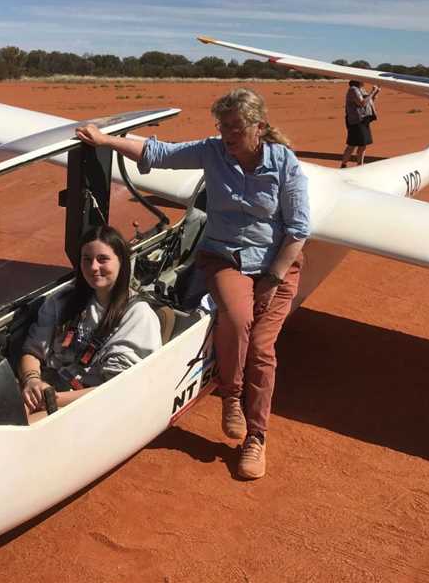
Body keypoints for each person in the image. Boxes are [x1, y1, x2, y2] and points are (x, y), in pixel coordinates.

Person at [76, 88, 310, 480]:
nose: (228, 135)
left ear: (259, 127)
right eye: (222, 127)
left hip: (277, 264)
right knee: (236, 319)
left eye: (236, 127)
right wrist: (104, 140)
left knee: (263, 348)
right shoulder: (212, 151)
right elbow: (159, 153)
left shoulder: (284, 164)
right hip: (225, 258)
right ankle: (231, 395)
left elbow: (299, 229)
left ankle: (256, 437)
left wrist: (271, 279)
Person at [18, 225, 161, 415]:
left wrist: (52, 399)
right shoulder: (62, 301)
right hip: (47, 389)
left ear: (122, 262)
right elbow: (32, 351)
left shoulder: (138, 316)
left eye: (103, 259)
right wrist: (32, 380)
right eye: (87, 259)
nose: (93, 267)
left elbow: (118, 389)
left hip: (93, 406)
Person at [340, 80, 380, 167]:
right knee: (352, 144)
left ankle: (359, 165)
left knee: (363, 144)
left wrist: (375, 93)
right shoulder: (353, 90)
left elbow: (369, 101)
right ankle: (343, 165)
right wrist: (372, 92)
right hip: (356, 121)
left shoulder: (361, 89)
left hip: (364, 120)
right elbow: (362, 103)